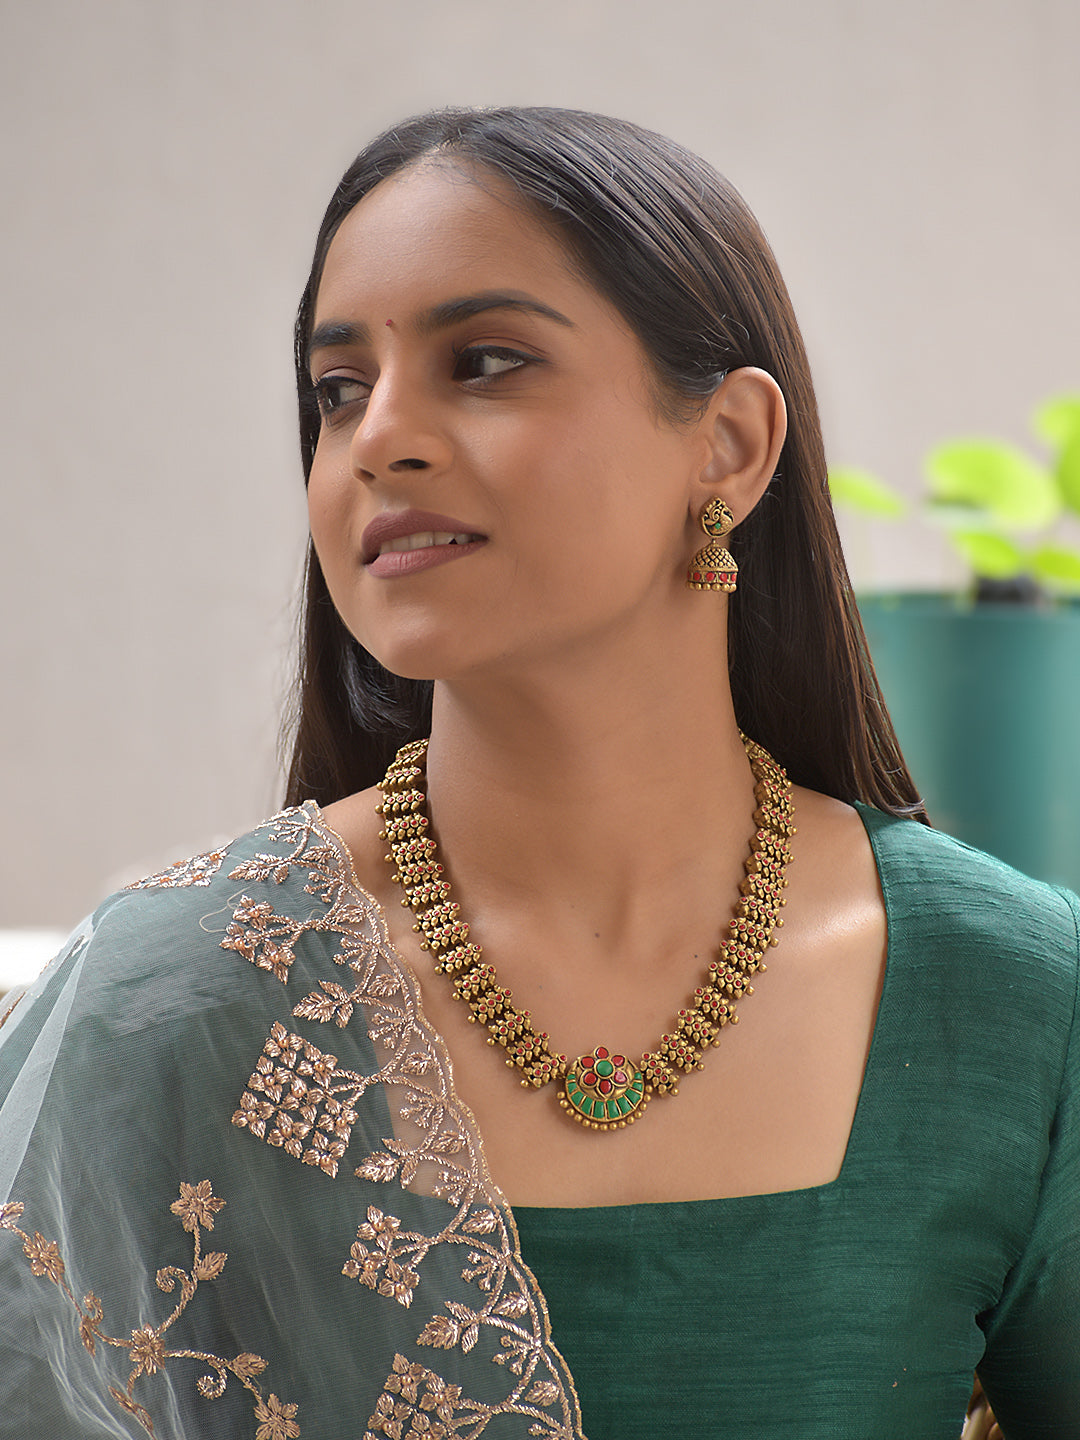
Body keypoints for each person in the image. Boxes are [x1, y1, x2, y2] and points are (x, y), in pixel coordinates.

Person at [0, 107, 1073, 1440]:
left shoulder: (1012, 1003)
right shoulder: (176, 999)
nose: (379, 437)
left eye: (486, 362)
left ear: (728, 448)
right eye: (339, 391)